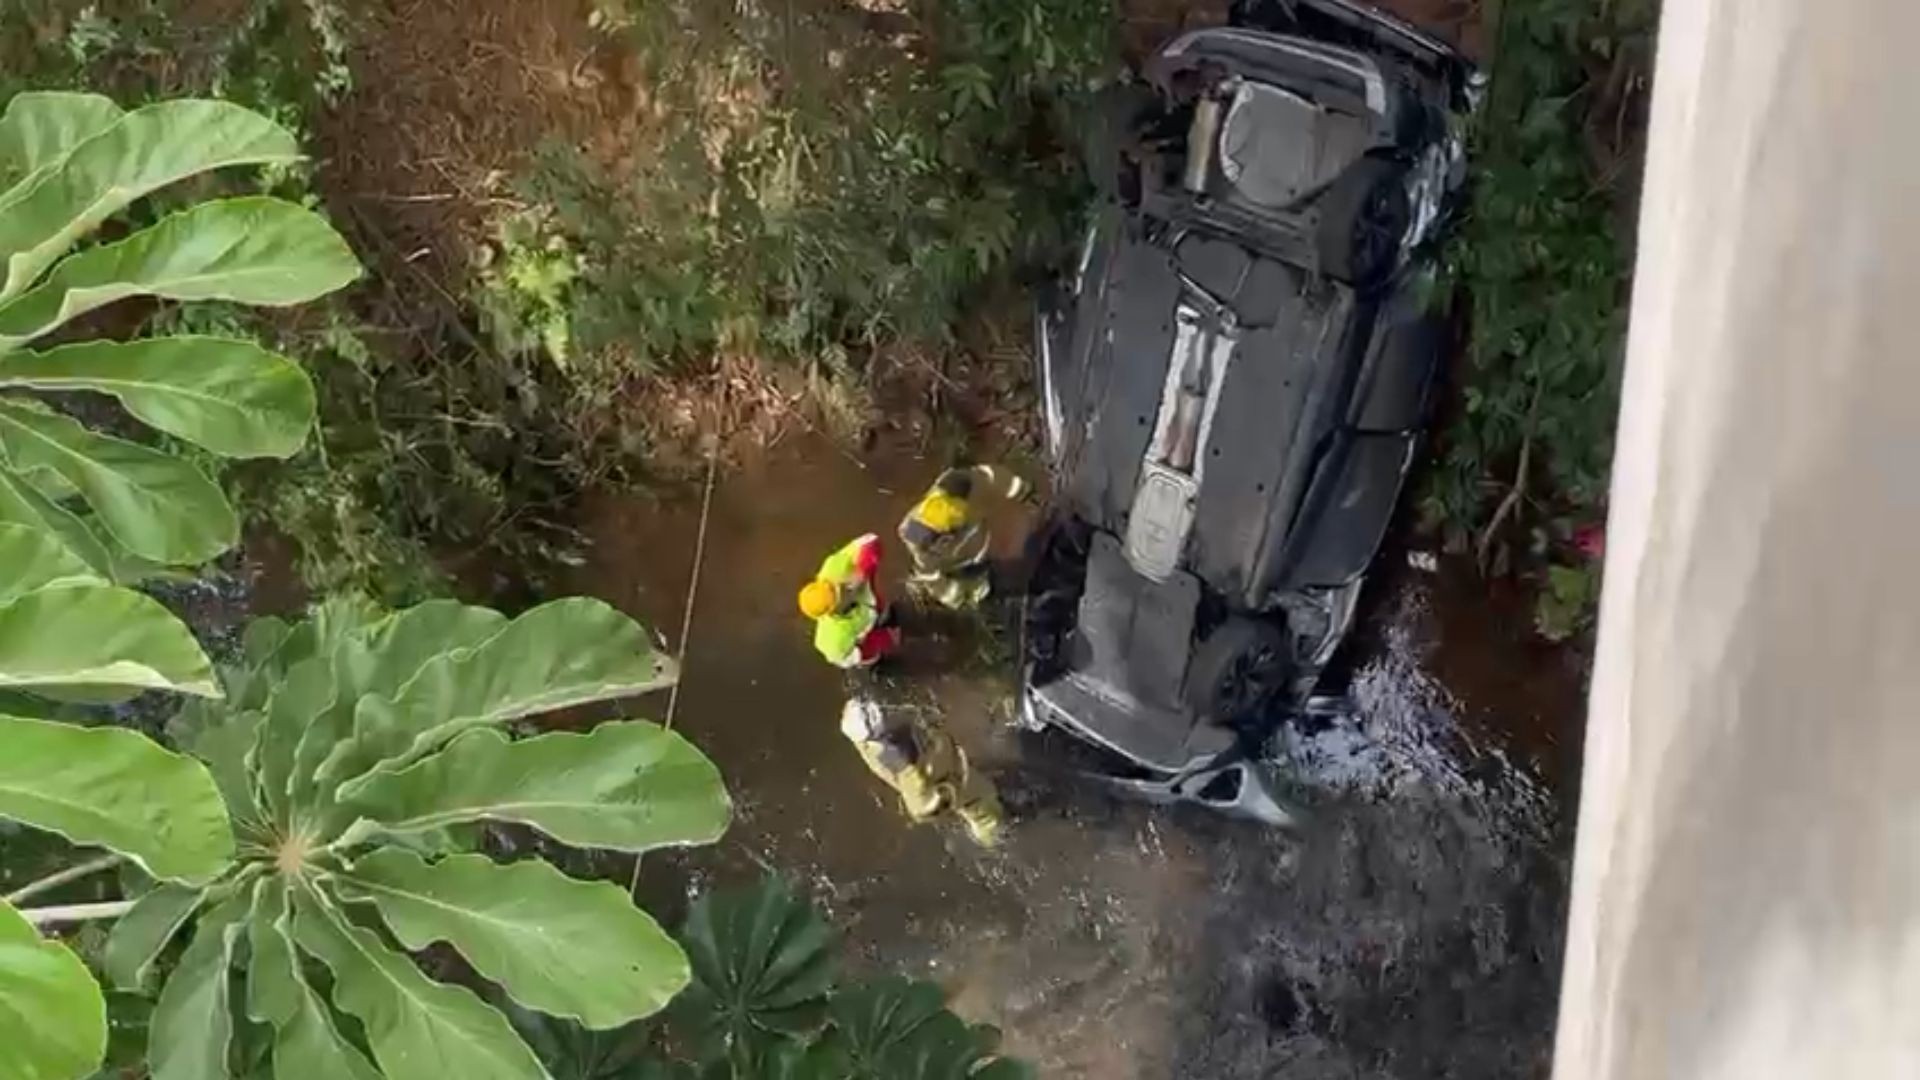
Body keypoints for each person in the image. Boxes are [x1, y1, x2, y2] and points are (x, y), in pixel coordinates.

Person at [839, 697, 1004, 847]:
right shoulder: (903, 767)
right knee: (983, 809)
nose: (881, 710)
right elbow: (920, 807)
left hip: (940, 766)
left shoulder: (864, 737)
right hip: (946, 782)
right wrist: (947, 792)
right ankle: (996, 840)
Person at [896, 464, 1033, 610]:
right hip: (972, 562)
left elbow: (992, 477)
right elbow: (932, 579)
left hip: (989, 530)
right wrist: (959, 599)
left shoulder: (958, 484)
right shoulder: (923, 550)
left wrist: (1022, 491)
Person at [797, 533, 900, 669]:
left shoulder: (835, 569)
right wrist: (882, 640)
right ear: (831, 612)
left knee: (881, 610)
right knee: (873, 652)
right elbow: (845, 657)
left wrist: (862, 569)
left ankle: (882, 617)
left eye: (838, 588)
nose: (845, 591)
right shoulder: (833, 637)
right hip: (862, 632)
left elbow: (870, 540)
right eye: (839, 597)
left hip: (871, 601)